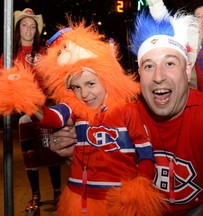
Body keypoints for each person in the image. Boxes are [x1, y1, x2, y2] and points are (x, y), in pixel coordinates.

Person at [49, 1, 203, 215]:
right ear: (139, 74)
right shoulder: (124, 115)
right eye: (149, 66)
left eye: (170, 63)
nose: (159, 77)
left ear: (186, 70)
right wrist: (76, 149)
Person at [12, 21, 167, 216]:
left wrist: (141, 186)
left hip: (119, 203)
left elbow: (145, 155)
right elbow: (51, 118)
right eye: (76, 87)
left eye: (91, 83)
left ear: (106, 78)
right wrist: (25, 98)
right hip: (79, 200)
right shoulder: (76, 109)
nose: (84, 94)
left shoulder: (129, 111)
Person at [0, 8, 63, 210]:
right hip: (24, 113)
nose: (28, 29)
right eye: (25, 25)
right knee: (30, 155)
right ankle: (35, 195)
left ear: (37, 31)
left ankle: (57, 192)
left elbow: (54, 81)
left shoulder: (44, 53)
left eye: (32, 26)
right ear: (19, 29)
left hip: (46, 108)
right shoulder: (9, 55)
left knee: (51, 151)